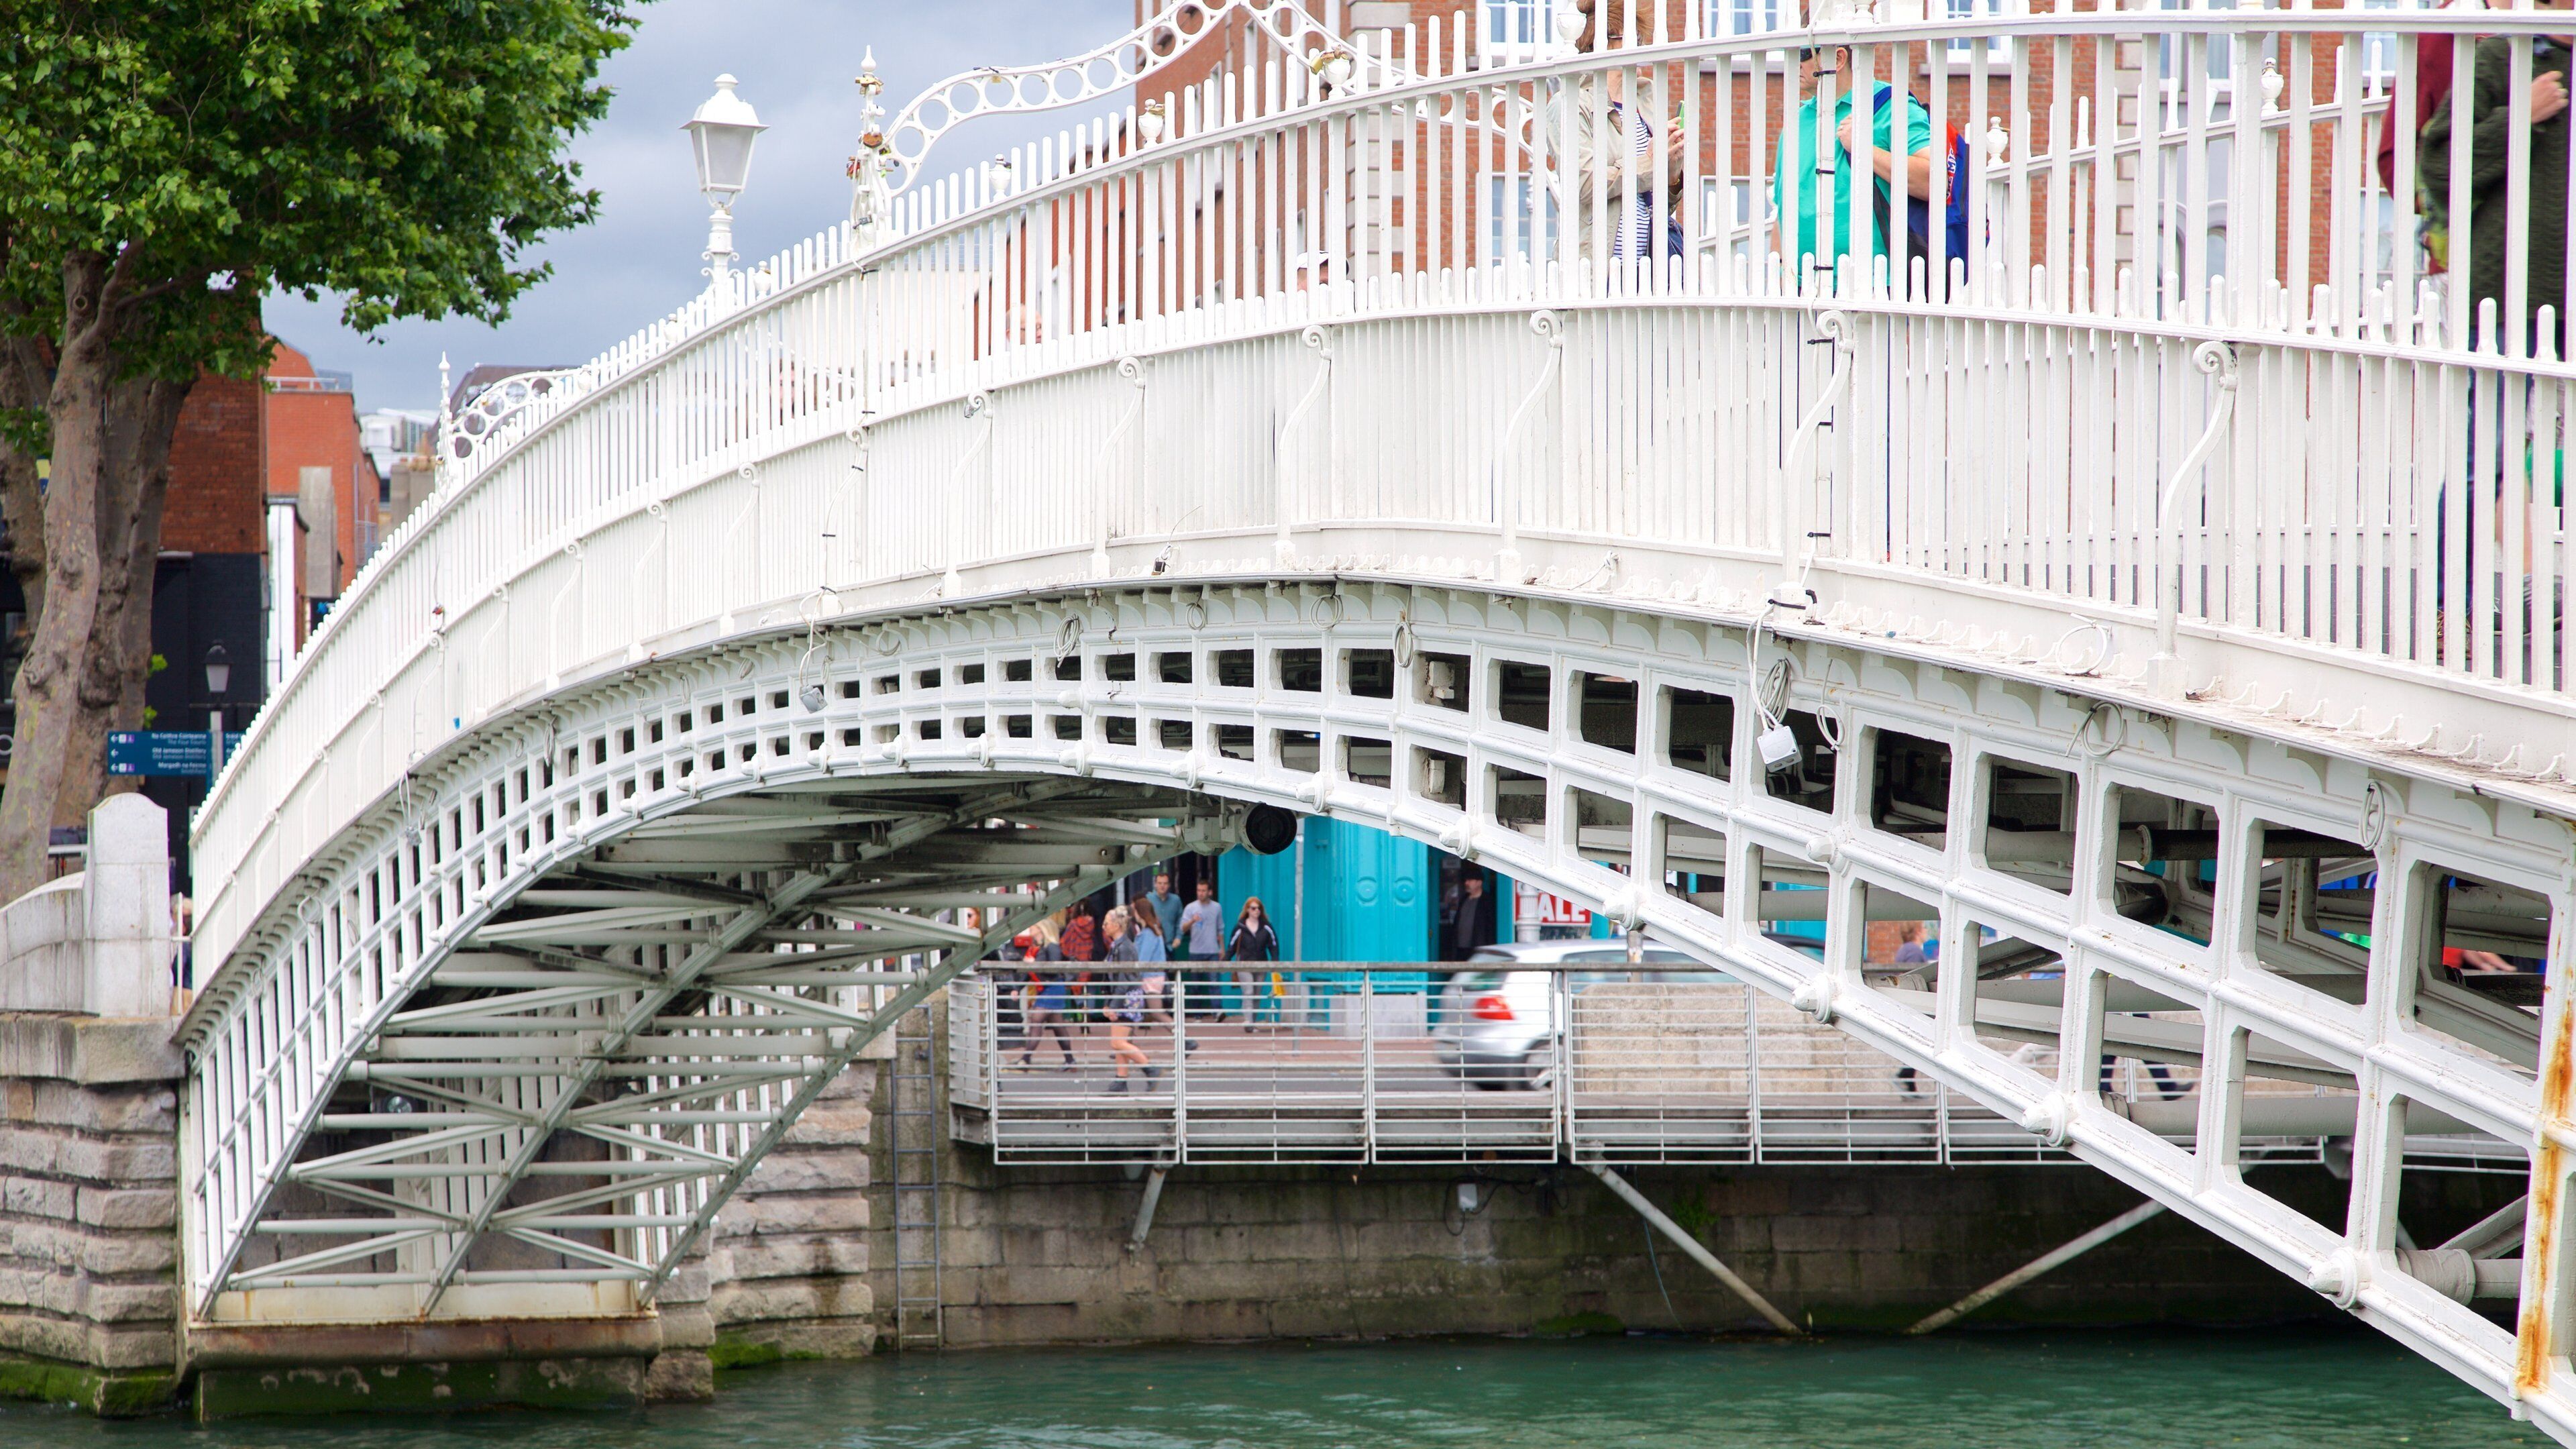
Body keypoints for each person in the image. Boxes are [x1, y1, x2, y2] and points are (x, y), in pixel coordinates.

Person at [2420, 7, 2575, 354]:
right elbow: (2440, 167)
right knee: (2497, 408)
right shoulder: (2502, 57)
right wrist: (2521, 116)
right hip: (2509, 295)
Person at [1770, 42, 1939, 284]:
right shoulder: (1797, 120)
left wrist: (1863, 149)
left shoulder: (1891, 106)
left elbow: (1933, 180)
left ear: (1838, 58)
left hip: (1876, 286)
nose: (1791, 62)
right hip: (1799, 287)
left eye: (1803, 53)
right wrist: (1778, 274)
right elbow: (1782, 211)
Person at [1546, 0, 1690, 264]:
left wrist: (1671, 175)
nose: (1639, 47)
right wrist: (1650, 162)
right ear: (1606, 42)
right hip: (1595, 275)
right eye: (1632, 38)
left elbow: (1655, 205)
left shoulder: (1645, 104)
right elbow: (1586, 184)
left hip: (1645, 273)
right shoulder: (1571, 104)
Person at [1100, 908, 1159, 1092]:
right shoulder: (1118, 945)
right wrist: (1107, 1002)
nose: (1104, 927)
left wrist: (1113, 1005)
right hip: (1124, 997)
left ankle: (1150, 1068)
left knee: (1118, 1042)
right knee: (1118, 1041)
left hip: (1127, 998)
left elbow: (1123, 980)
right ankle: (1121, 1079)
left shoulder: (1124, 947)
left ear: (1117, 926)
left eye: (1106, 923)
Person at [1224, 896, 1281, 1027]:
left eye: (1259, 908)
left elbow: (1273, 944)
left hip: (1261, 964)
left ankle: (1252, 1022)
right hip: (1244, 964)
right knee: (1248, 991)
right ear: (1248, 910)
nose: (1256, 911)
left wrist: (1275, 961)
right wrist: (1225, 960)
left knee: (1257, 994)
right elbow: (1232, 945)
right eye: (1253, 908)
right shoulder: (1240, 927)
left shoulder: (1267, 927)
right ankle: (1248, 1021)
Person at [1178, 878, 1227, 1015]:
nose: (1201, 893)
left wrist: (1222, 948)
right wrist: (1193, 920)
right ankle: (1197, 1014)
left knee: (1214, 983)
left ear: (1209, 892)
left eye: (1203, 891)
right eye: (1199, 890)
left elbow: (1220, 929)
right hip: (1195, 951)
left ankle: (1217, 1012)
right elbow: (1183, 928)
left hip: (1212, 950)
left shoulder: (1217, 907)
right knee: (1195, 985)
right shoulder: (1190, 908)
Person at [1448, 873, 1499, 961]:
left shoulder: (1487, 901)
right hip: (1460, 948)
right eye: (1466, 880)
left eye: (1470, 880)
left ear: (1479, 883)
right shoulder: (1464, 899)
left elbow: (1490, 927)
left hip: (1478, 948)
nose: (1466, 883)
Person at [1145, 871, 1187, 956]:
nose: (1162, 886)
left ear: (1169, 885)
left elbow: (1180, 920)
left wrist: (1178, 937)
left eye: (1165, 883)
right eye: (1160, 883)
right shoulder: (1148, 899)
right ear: (1155, 884)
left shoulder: (1176, 900)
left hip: (1170, 946)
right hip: (1152, 945)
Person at [1061, 900, 1100, 964]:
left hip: (1075, 964)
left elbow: (1063, 944)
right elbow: (1107, 942)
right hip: (1092, 964)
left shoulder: (1072, 924)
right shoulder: (1096, 924)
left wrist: (1069, 955)